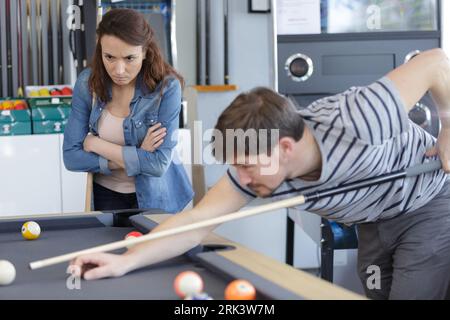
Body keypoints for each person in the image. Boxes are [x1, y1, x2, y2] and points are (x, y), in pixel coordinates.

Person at [71, 48, 450, 300]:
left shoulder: (359, 118)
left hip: (427, 202)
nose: (242, 179)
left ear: (285, 149)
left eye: (247, 166)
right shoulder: (257, 164)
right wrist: (124, 260)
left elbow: (435, 62)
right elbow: (197, 220)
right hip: (370, 221)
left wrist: (448, 124)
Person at [63, 9, 193, 212]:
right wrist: (139, 155)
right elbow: (71, 157)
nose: (119, 70)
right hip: (105, 195)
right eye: (109, 57)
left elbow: (158, 165)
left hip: (157, 197)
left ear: (145, 51)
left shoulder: (167, 88)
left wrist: (95, 143)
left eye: (129, 58)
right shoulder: (87, 84)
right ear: (100, 48)